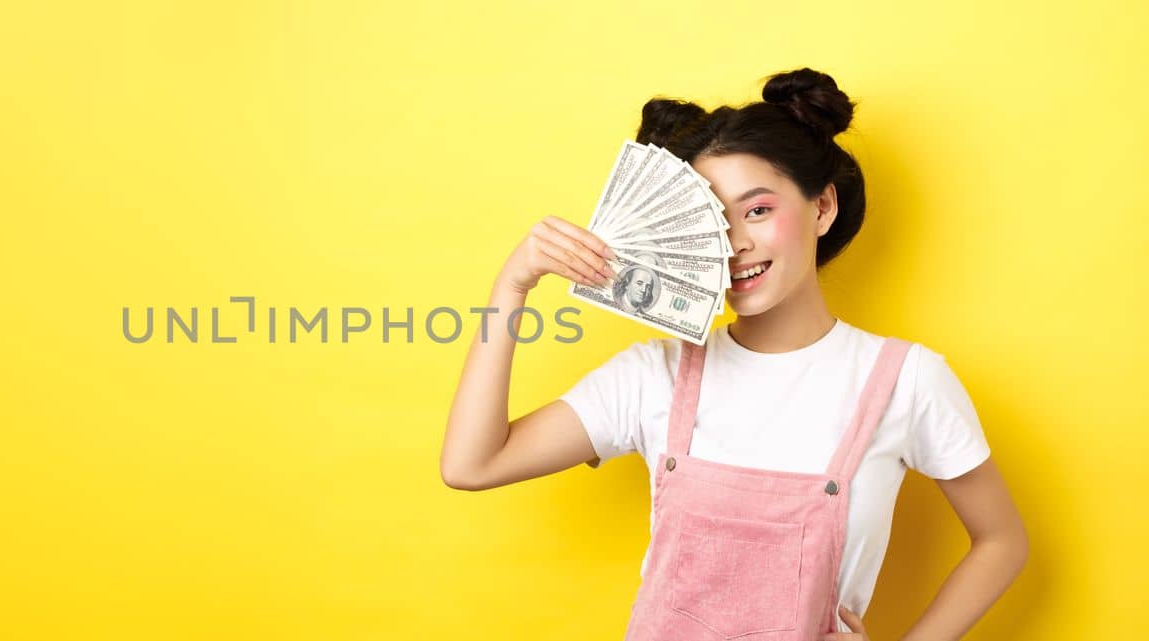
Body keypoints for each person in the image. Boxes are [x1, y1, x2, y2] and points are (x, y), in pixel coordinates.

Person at [439, 68, 1027, 641]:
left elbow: (1002, 541)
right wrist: (511, 286)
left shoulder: (906, 380)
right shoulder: (653, 377)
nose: (735, 242)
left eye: (758, 210)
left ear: (822, 208)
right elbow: (472, 465)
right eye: (711, 220)